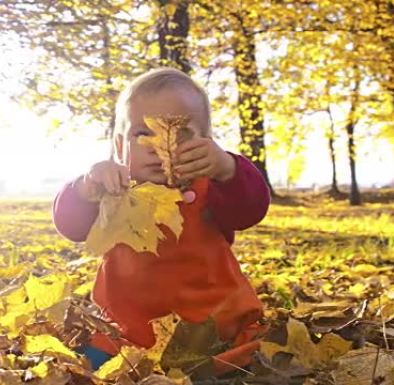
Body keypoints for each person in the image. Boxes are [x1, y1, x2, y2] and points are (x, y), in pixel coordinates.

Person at [52, 68, 271, 375]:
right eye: (142, 134)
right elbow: (70, 226)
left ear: (206, 142)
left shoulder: (211, 189)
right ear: (118, 145)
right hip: (128, 331)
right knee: (88, 368)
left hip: (214, 327)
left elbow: (251, 211)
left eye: (181, 134)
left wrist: (227, 168)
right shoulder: (111, 192)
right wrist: (84, 189)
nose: (160, 147)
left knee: (248, 363)